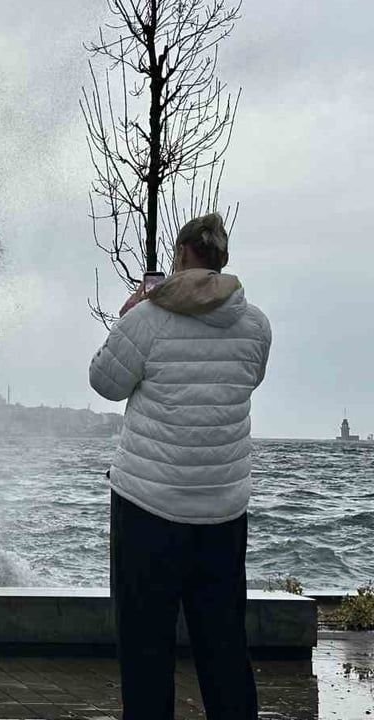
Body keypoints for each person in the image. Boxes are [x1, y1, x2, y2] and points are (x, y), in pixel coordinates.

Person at [88, 212, 272, 719]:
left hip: (148, 509)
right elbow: (247, 381)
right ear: (221, 258)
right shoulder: (255, 324)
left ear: (183, 254)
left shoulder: (147, 319)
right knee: (225, 649)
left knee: (147, 651)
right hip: (223, 513)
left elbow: (104, 382)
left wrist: (131, 311)